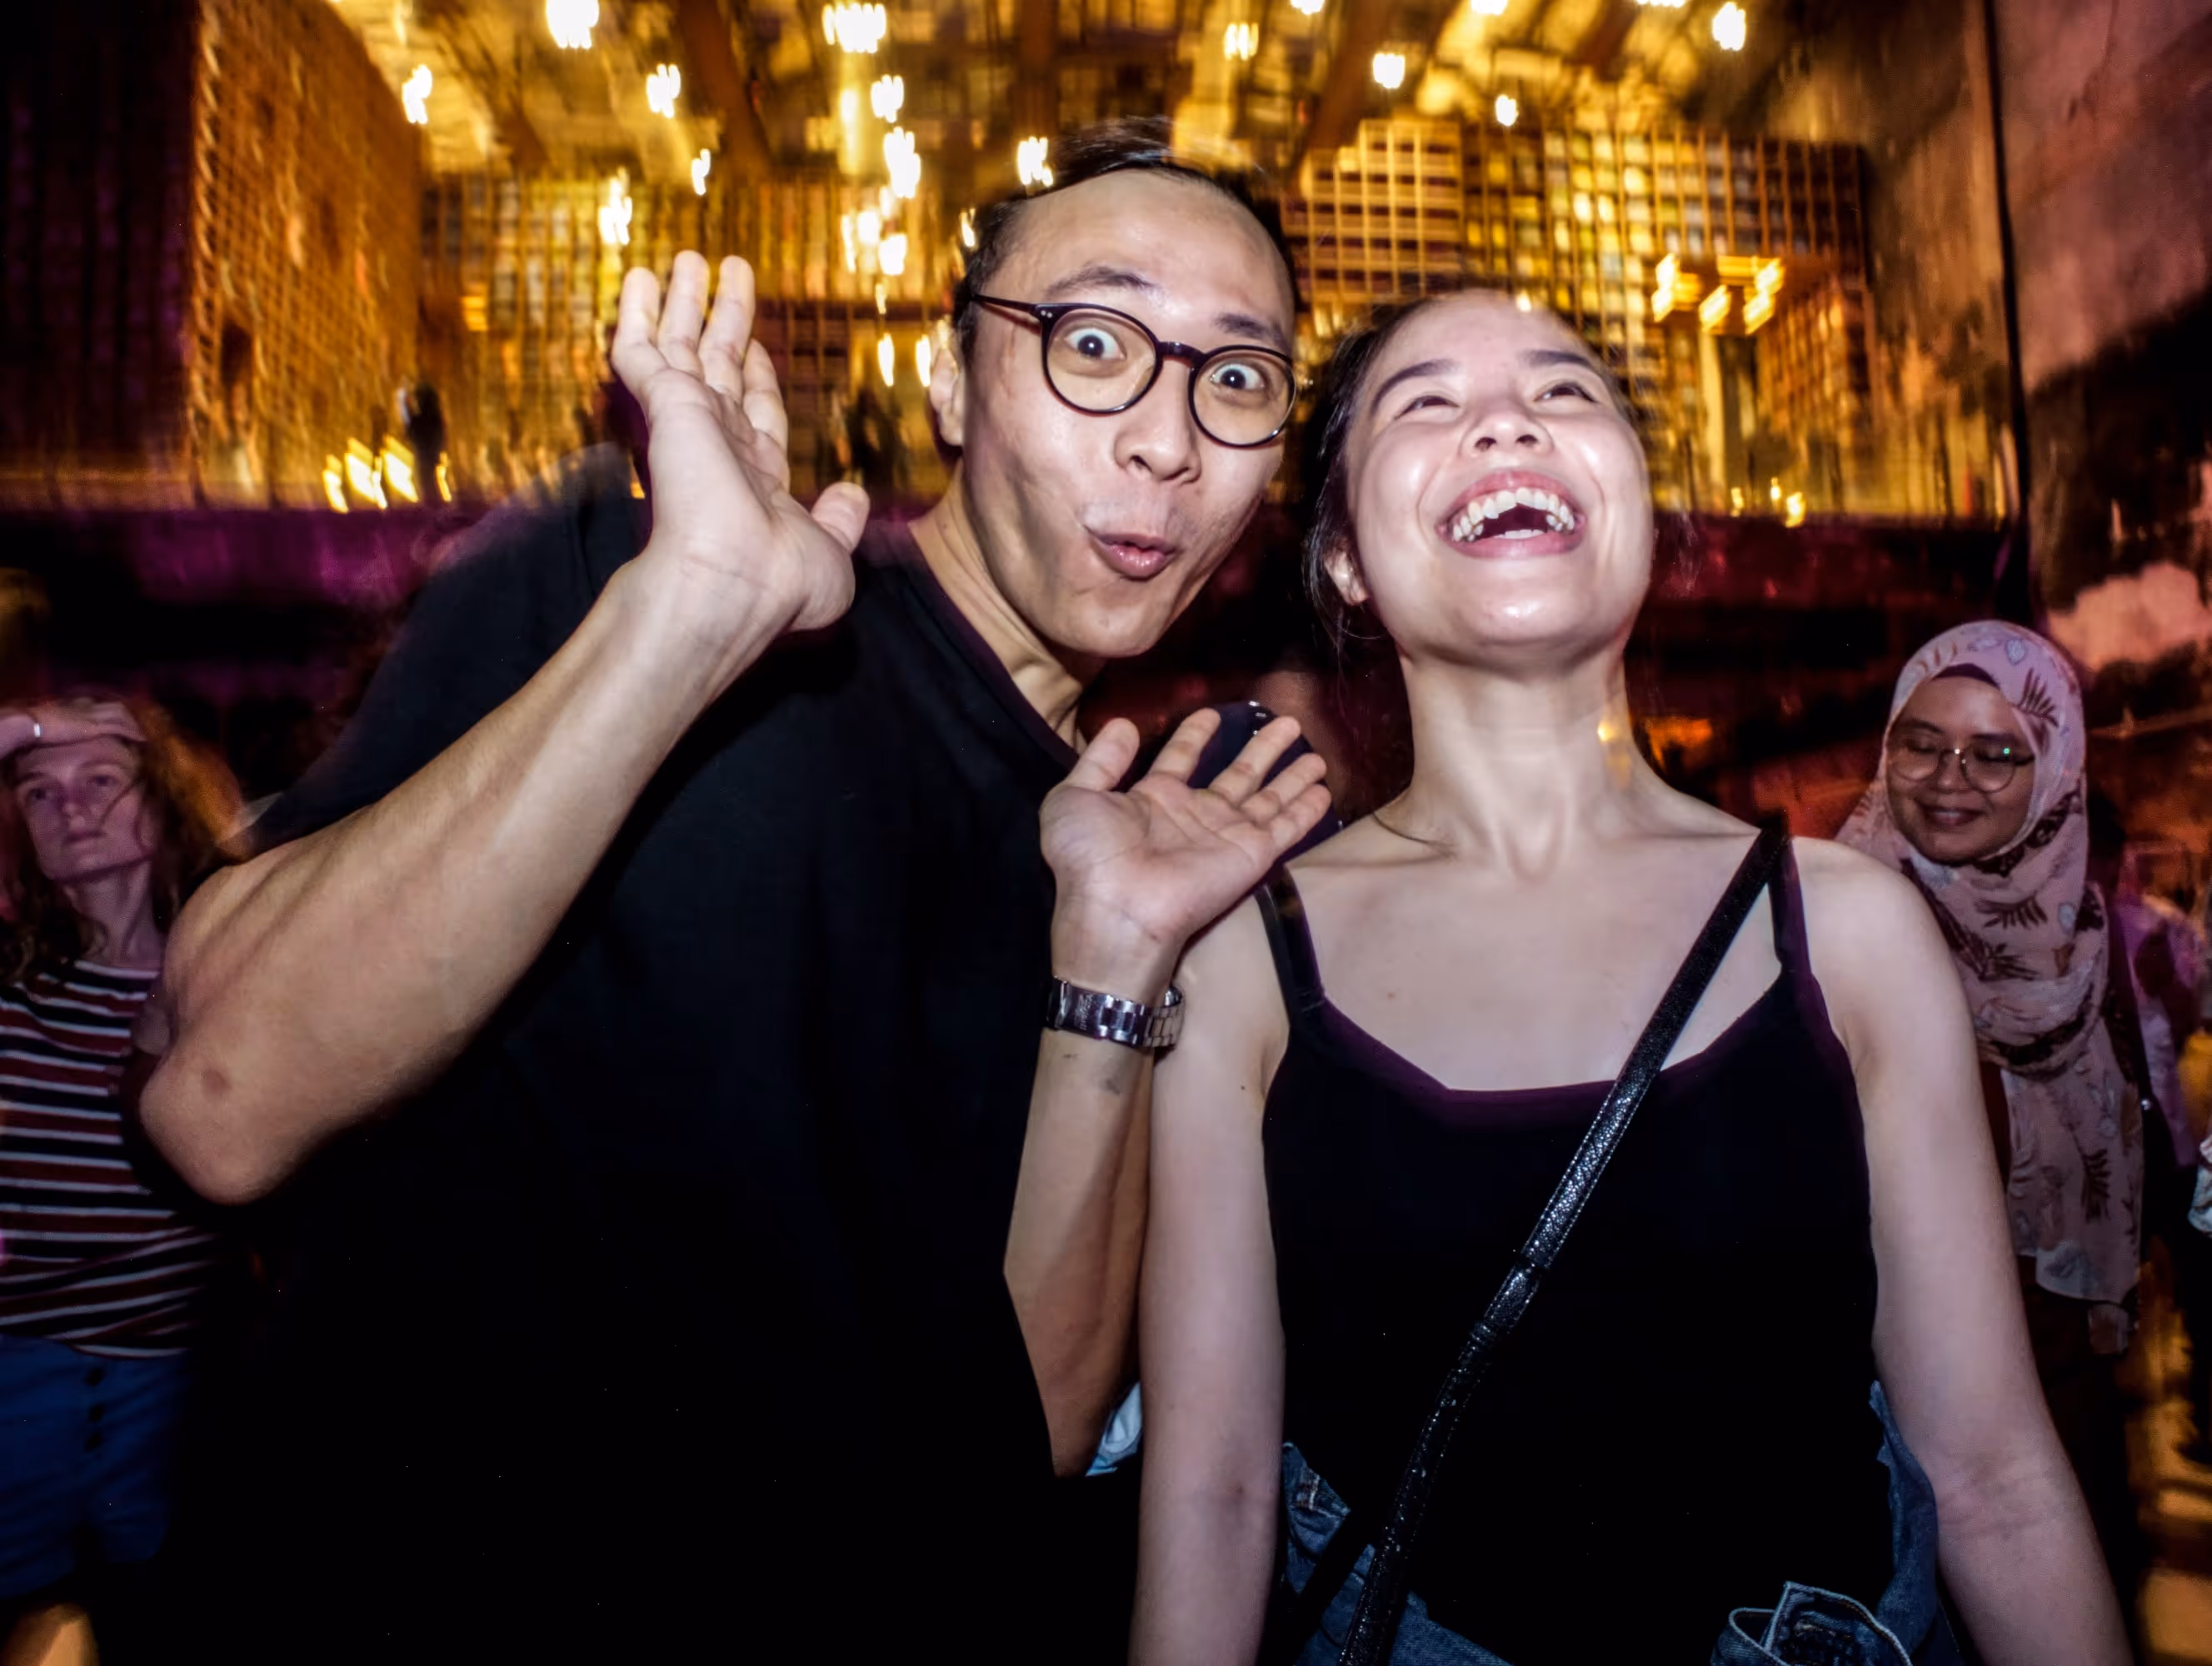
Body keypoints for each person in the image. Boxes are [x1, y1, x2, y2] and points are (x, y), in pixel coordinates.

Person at [136, 125, 1328, 1662]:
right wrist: (686, 623)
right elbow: (219, 1100)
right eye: (1093, 341)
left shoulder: (1123, 838)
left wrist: (1115, 962)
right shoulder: (626, 567)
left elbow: (1018, 1432)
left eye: (1235, 379)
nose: (1167, 436)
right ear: (955, 383)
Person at [1129, 292, 2128, 1666]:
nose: (1505, 419)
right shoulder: (1245, 959)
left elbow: (1998, 1484)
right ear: (1346, 558)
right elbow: (1215, 1497)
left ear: (1644, 513)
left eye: (1565, 393)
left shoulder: (1847, 929)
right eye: (1428, 403)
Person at [1836, 626, 2150, 1601]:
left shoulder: (2085, 947)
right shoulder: (1827, 928)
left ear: (2054, 769)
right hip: (1882, 1431)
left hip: (2063, 1405)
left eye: (1997, 751)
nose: (1948, 777)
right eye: (1920, 741)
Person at [0, 696, 237, 1661]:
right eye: (37, 793)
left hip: (170, 1383)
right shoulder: (8, 980)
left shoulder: (228, 975)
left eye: (102, 781)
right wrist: (20, 732)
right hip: (16, 1372)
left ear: (164, 805)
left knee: (152, 1609)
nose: (71, 807)